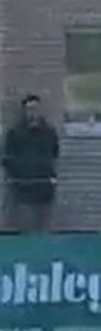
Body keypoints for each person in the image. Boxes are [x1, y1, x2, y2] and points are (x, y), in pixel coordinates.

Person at [2, 94, 59, 232]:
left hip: (45, 189)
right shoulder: (15, 133)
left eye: (35, 109)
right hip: (23, 190)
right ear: (25, 112)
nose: (33, 114)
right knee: (26, 230)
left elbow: (55, 154)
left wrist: (51, 176)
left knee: (45, 230)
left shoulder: (49, 132)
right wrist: (18, 176)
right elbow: (6, 158)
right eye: (29, 110)